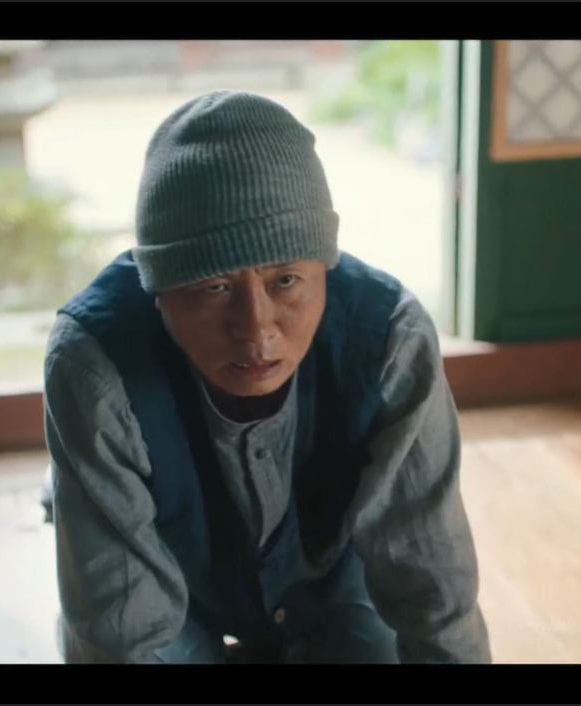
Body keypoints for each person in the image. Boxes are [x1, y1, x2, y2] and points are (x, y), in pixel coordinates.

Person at [42, 90, 491, 664]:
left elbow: (432, 583)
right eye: (213, 287)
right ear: (157, 290)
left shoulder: (388, 339)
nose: (255, 330)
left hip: (330, 572)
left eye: (286, 281)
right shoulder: (94, 364)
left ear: (325, 268)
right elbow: (120, 633)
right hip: (163, 575)